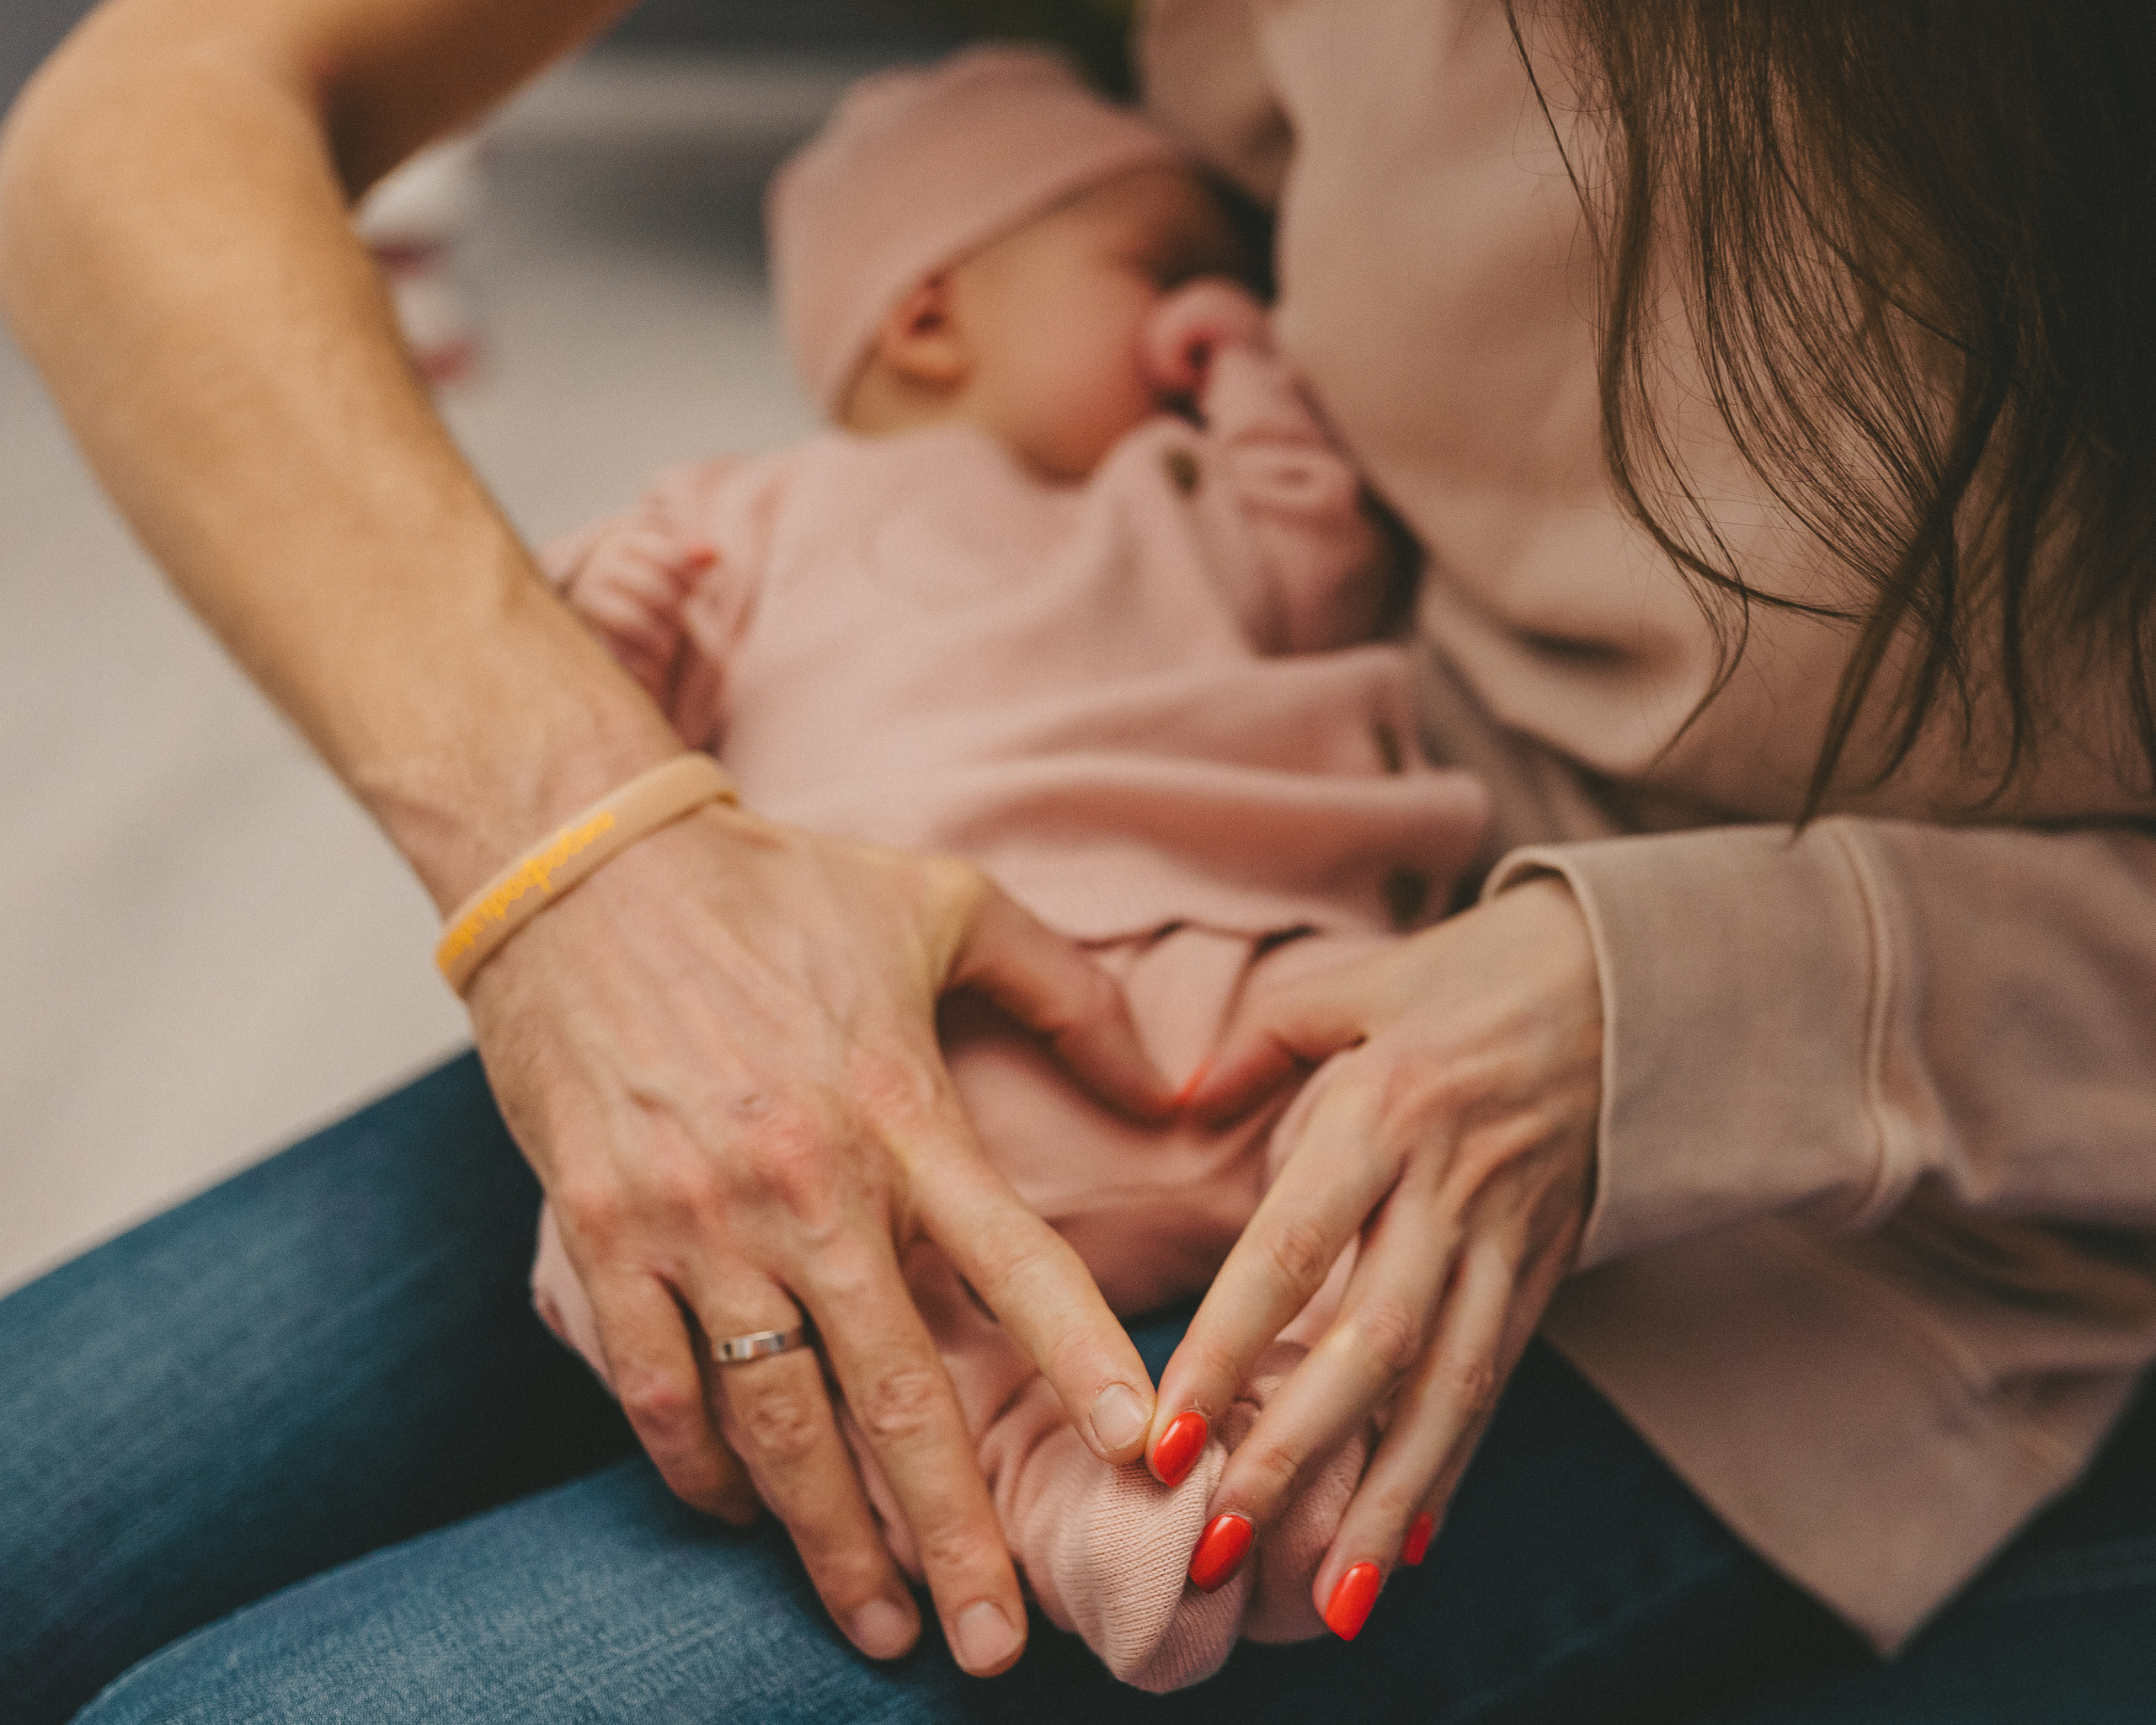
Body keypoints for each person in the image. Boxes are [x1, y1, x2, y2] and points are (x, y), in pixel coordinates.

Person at [2, 0, 2153, 1721]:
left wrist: (1678, 1003)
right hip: (923, 989)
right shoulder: (802, 504)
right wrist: (591, 871)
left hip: (1803, 1191)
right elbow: (149, 119)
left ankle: (1113, 1510)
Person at [526, 45, 1486, 1690]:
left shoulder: (1183, 484)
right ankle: (1076, 1510)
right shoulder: (735, 511)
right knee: (879, 1322)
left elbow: (1323, 566)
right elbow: (605, 765)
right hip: (902, 1063)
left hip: (1227, 1000)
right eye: (1166, 273)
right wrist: (607, 617)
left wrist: (1246, 368)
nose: (1216, 310)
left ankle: (1281, 1453)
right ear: (924, 316)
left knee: (1387, 1196)